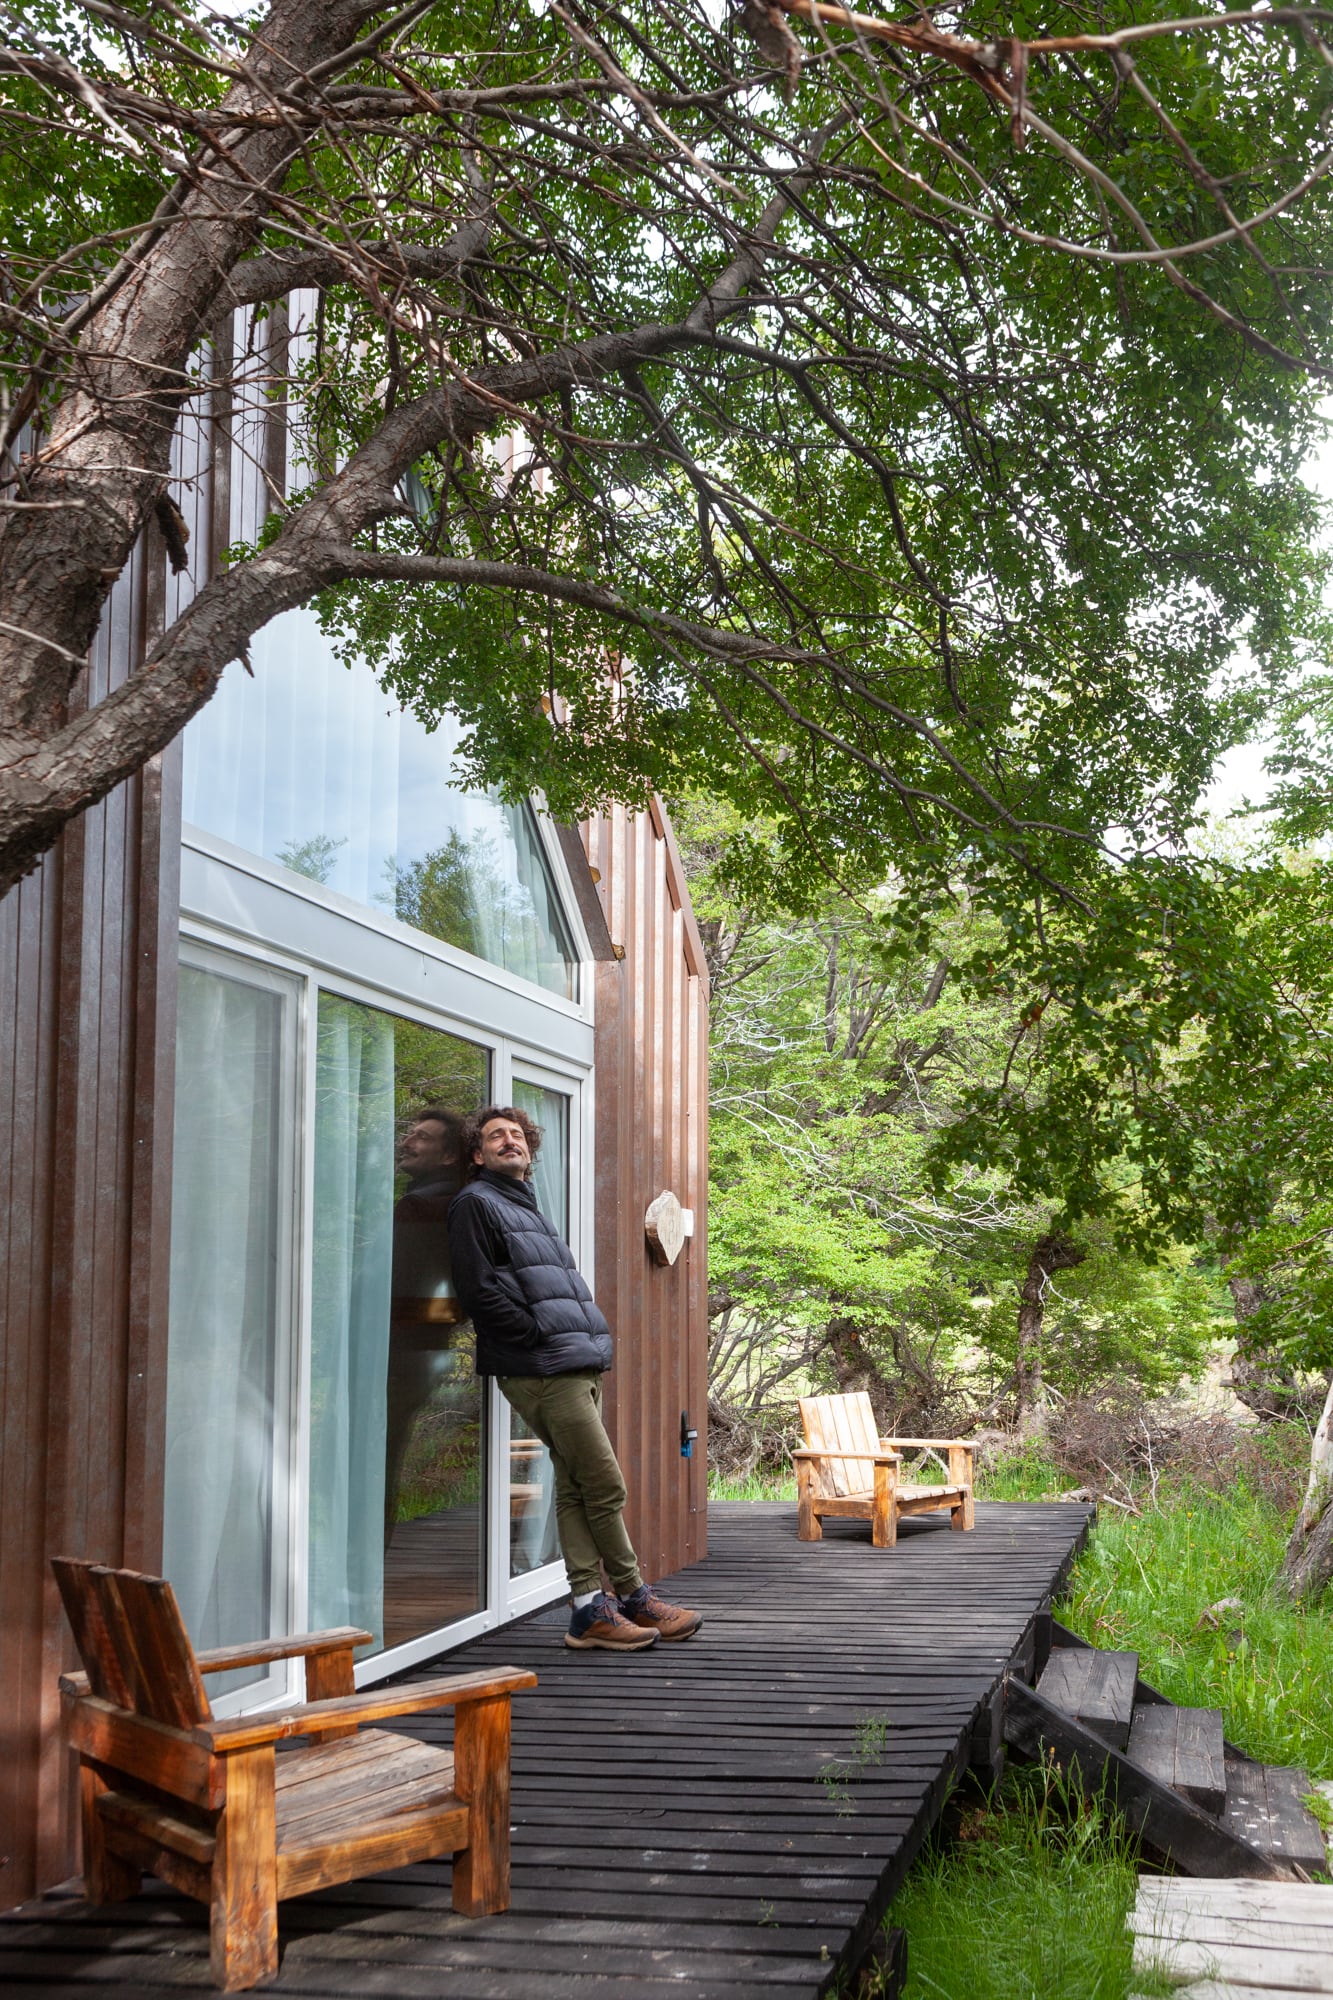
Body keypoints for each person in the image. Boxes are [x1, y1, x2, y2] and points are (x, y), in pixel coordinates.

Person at [447, 1103, 702, 1651]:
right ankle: (633, 1594)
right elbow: (478, 1291)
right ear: (477, 1153)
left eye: (517, 1134)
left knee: (575, 1484)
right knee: (605, 1482)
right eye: (496, 1136)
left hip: (573, 1361)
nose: (510, 1141)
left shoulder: (525, 1205)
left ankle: (588, 1608)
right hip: (542, 1367)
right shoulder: (475, 1203)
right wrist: (535, 1331)